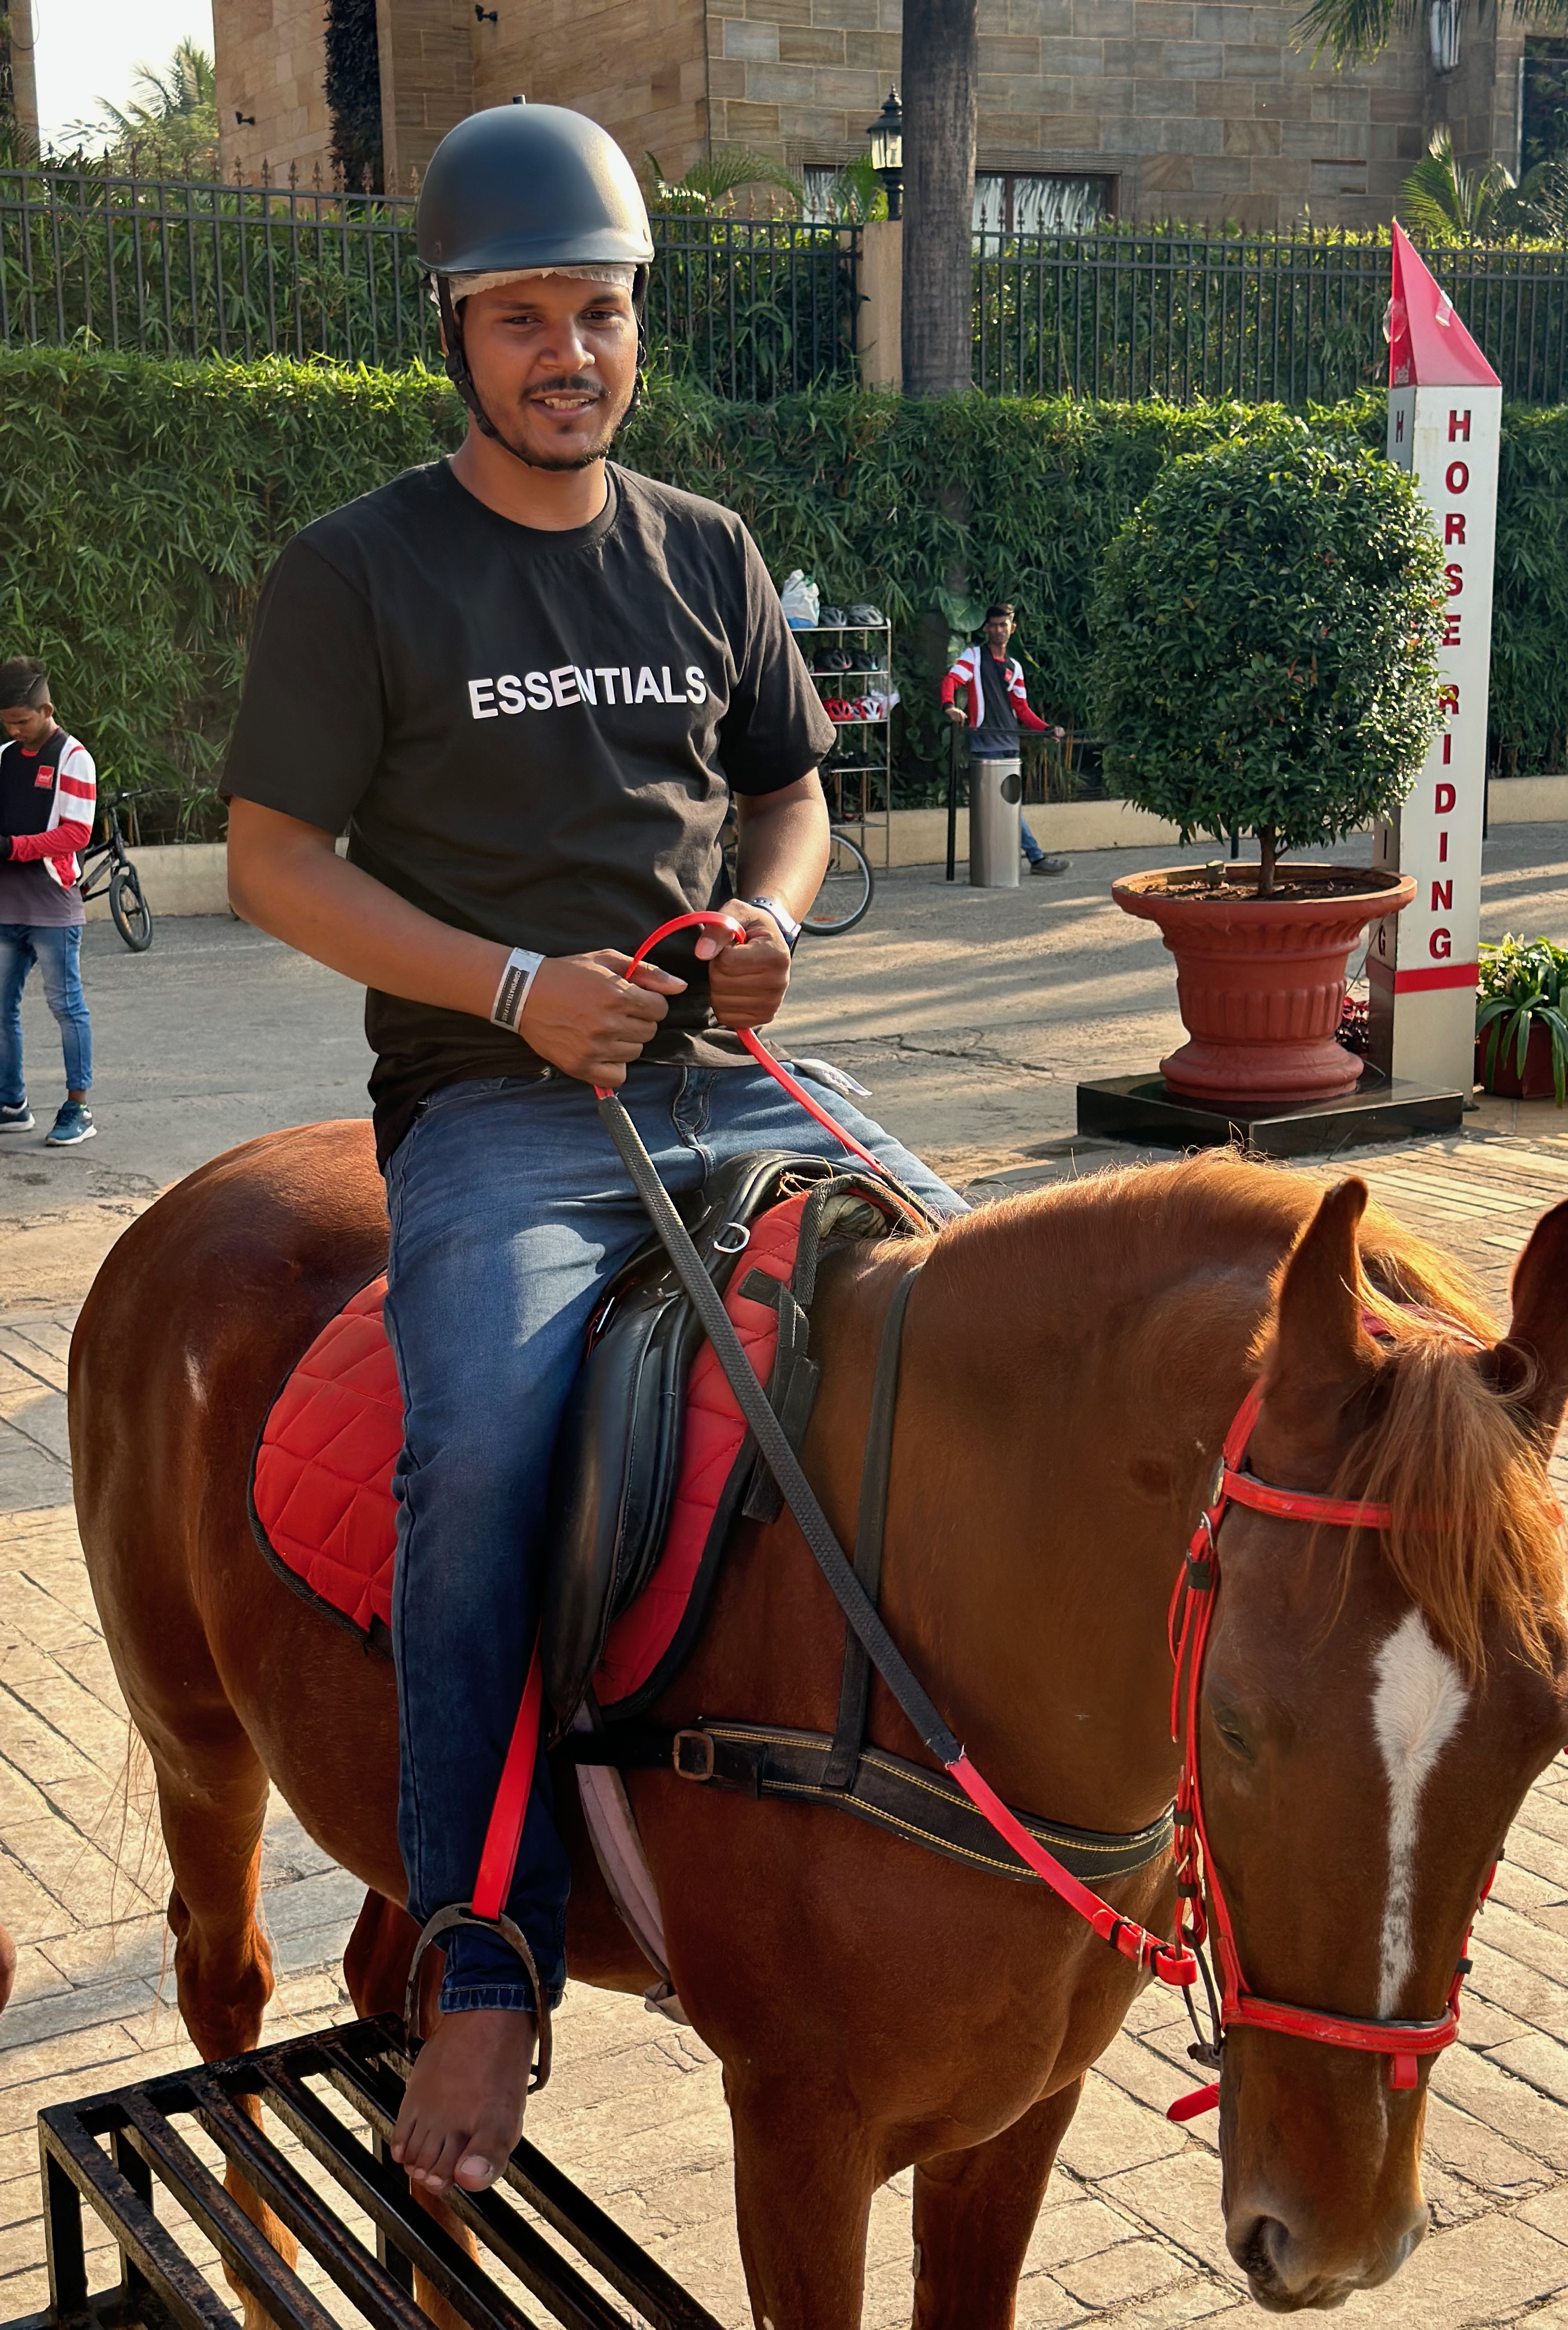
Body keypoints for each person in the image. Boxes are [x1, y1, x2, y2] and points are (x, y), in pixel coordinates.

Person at [221, 101, 964, 2203]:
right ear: (453, 333)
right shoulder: (357, 571)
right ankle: (485, 1946)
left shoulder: (705, 550)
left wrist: (771, 924)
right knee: (474, 1459)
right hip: (499, 1111)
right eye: (525, 316)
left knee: (983, 1304)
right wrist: (509, 991)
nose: (570, 353)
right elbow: (272, 859)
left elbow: (788, 791)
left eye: (602, 313)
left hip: (723, 1076)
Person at [0, 658, 97, 1148]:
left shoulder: (74, 758)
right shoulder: (3, 756)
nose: (14, 730)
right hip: (5, 905)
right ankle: (11, 1104)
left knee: (66, 1006)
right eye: (6, 722)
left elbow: (77, 833)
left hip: (52, 905)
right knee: (1, 1009)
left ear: (47, 710)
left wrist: (14, 847)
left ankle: (78, 1107)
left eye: (22, 721)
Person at [941, 603, 1072, 875]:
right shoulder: (974, 656)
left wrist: (1047, 729)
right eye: (994, 625)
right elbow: (951, 681)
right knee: (1006, 807)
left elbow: (1022, 710)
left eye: (1004, 625)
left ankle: (1009, 861)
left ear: (1013, 629)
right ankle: (1035, 858)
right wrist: (949, 707)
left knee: (1010, 806)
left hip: (1010, 745)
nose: (999, 630)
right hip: (985, 745)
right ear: (986, 629)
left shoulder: (1015, 667)